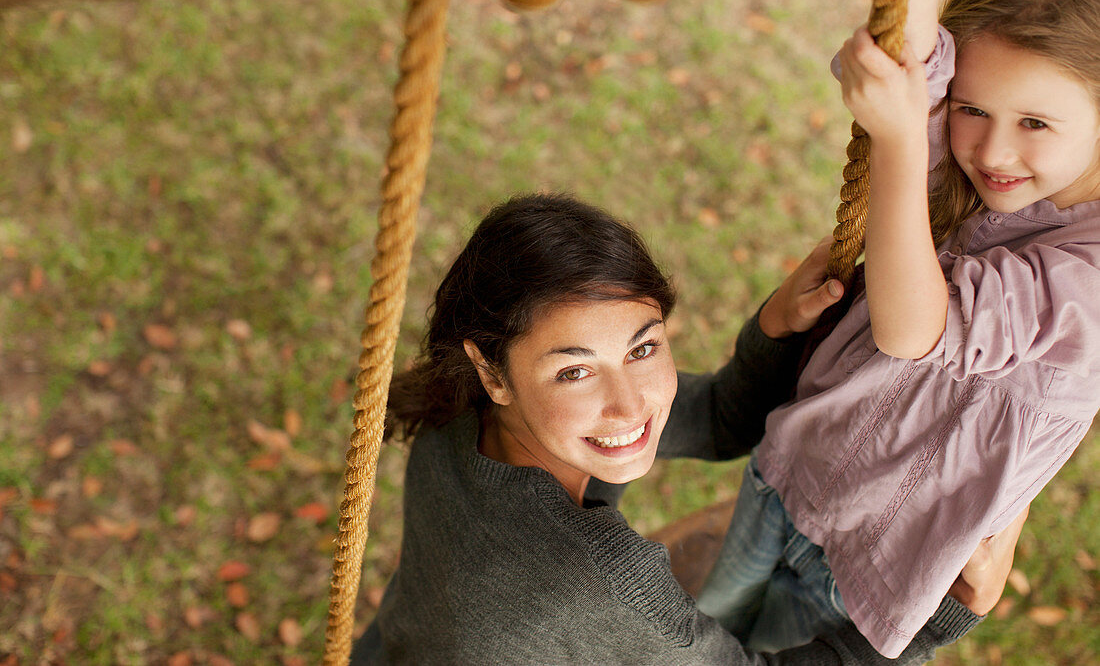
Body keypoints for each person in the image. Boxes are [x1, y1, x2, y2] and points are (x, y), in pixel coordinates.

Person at [351, 193, 1015, 664]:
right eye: (575, 372)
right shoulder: (592, 578)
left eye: (643, 349)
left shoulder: (462, 413)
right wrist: (941, 615)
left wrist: (776, 327)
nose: (629, 405)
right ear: (492, 370)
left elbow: (715, 420)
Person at [696, 0, 1100, 657]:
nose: (990, 151)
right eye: (972, 110)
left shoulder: (1090, 280)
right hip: (793, 467)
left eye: (1034, 123)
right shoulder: (993, 164)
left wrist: (902, 144)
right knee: (696, 641)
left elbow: (916, 330)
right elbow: (912, 66)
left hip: (875, 561)